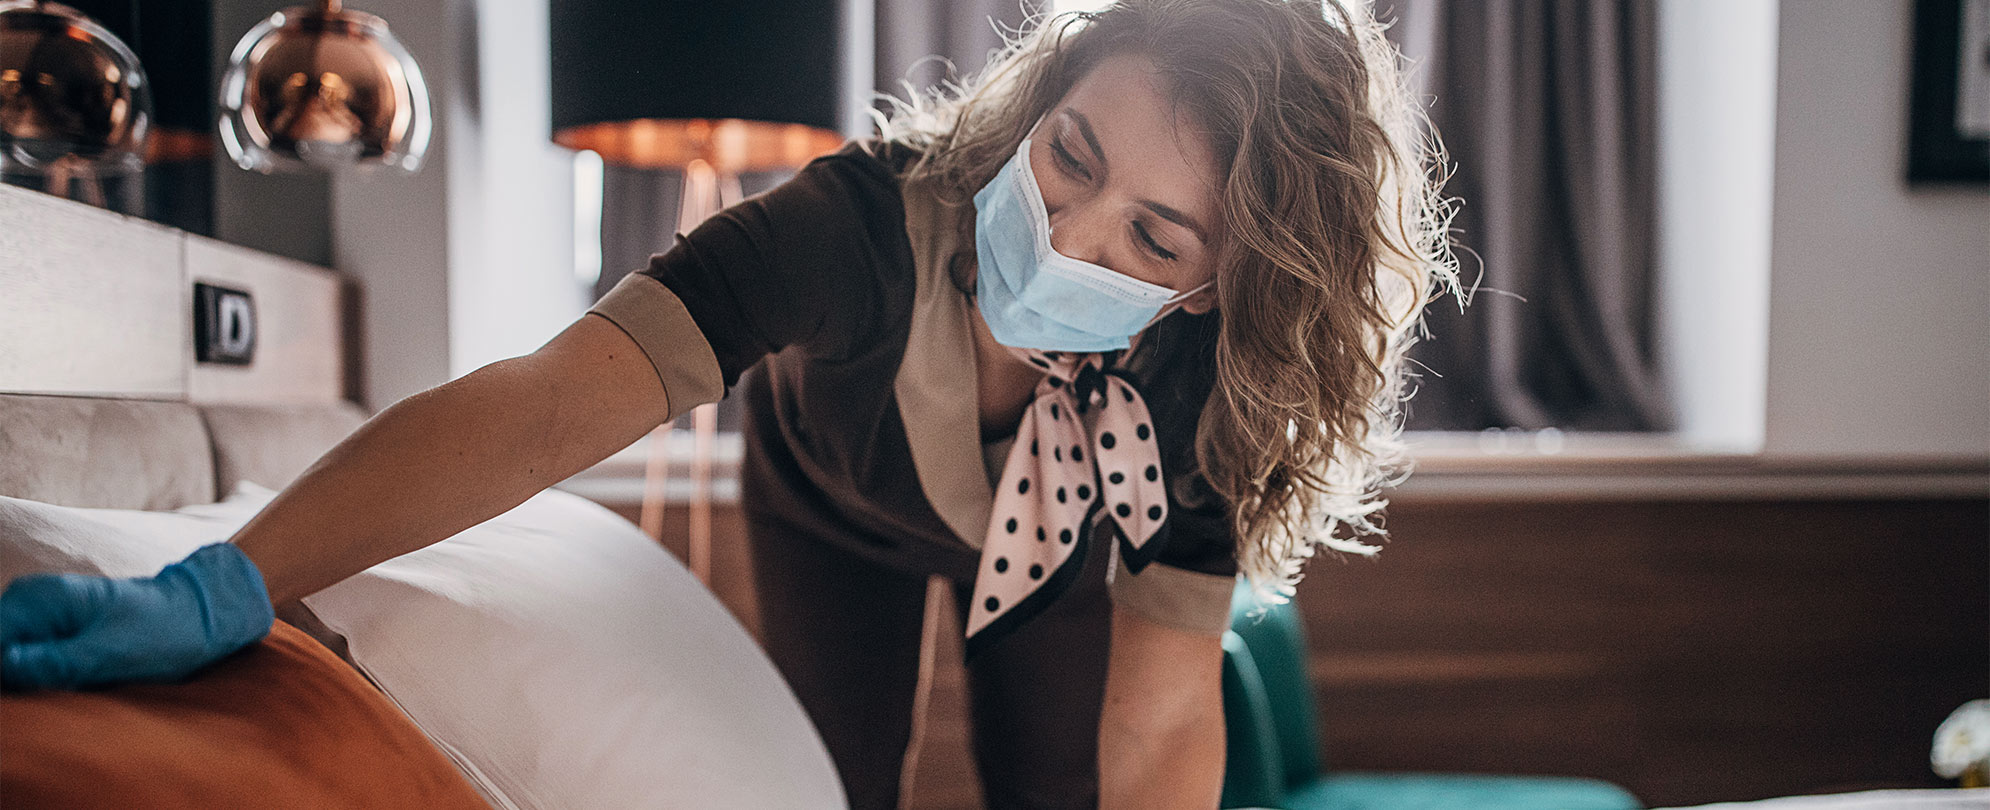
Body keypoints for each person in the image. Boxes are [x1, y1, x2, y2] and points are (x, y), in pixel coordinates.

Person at [0, 0, 1457, 806]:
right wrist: (238, 578)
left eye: (1153, 237)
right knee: (831, 781)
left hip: (1066, 567)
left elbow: (1154, 731)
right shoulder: (851, 229)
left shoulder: (1209, 395)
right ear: (1037, 102)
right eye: (1070, 155)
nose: (1071, 237)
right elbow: (550, 399)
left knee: (1057, 789)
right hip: (834, 506)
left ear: (1212, 289)